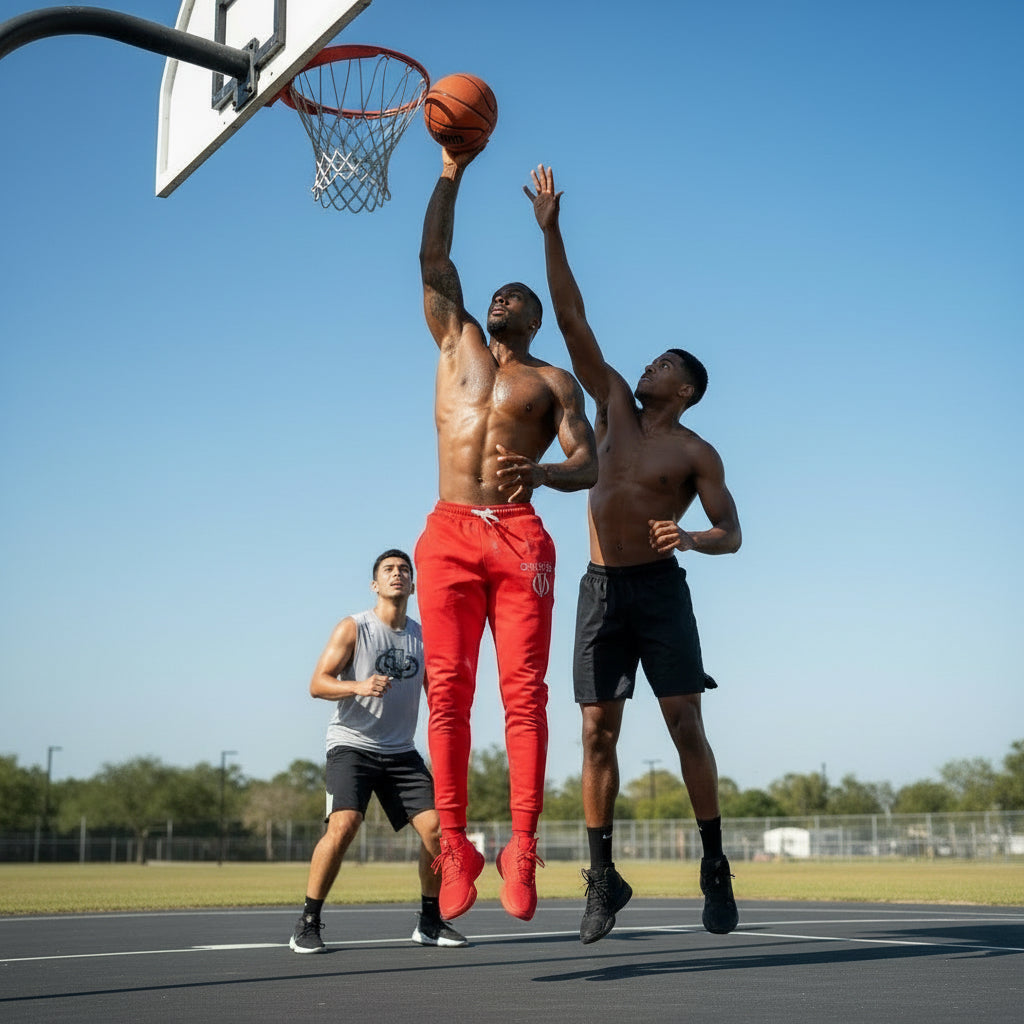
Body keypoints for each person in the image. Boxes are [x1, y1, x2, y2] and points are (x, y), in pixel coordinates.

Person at [525, 165, 743, 944]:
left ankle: (713, 863)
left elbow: (733, 532)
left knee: (684, 720)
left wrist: (689, 536)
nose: (648, 368)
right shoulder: (613, 405)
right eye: (649, 362)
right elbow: (575, 318)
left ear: (685, 390)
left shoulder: (695, 451)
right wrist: (551, 229)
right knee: (595, 734)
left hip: (659, 589)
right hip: (599, 590)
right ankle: (602, 877)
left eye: (664, 366)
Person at [416, 147, 598, 923]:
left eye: (519, 294)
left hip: (521, 536)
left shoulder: (553, 381)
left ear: (532, 317)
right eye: (498, 291)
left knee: (524, 696)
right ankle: (453, 843)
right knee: (448, 691)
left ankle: (522, 848)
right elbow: (433, 254)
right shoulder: (453, 340)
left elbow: (586, 462)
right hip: (451, 530)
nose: (505, 296)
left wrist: (545, 477)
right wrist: (453, 167)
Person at [289, 549, 468, 953]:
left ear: (414, 584)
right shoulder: (354, 628)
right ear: (375, 584)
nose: (397, 574)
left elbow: (438, 695)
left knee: (437, 829)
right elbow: (317, 683)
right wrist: (358, 686)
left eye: (405, 570)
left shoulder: (424, 637)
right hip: (352, 745)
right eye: (388, 570)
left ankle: (429, 921)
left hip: (401, 751)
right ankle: (308, 921)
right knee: (345, 824)